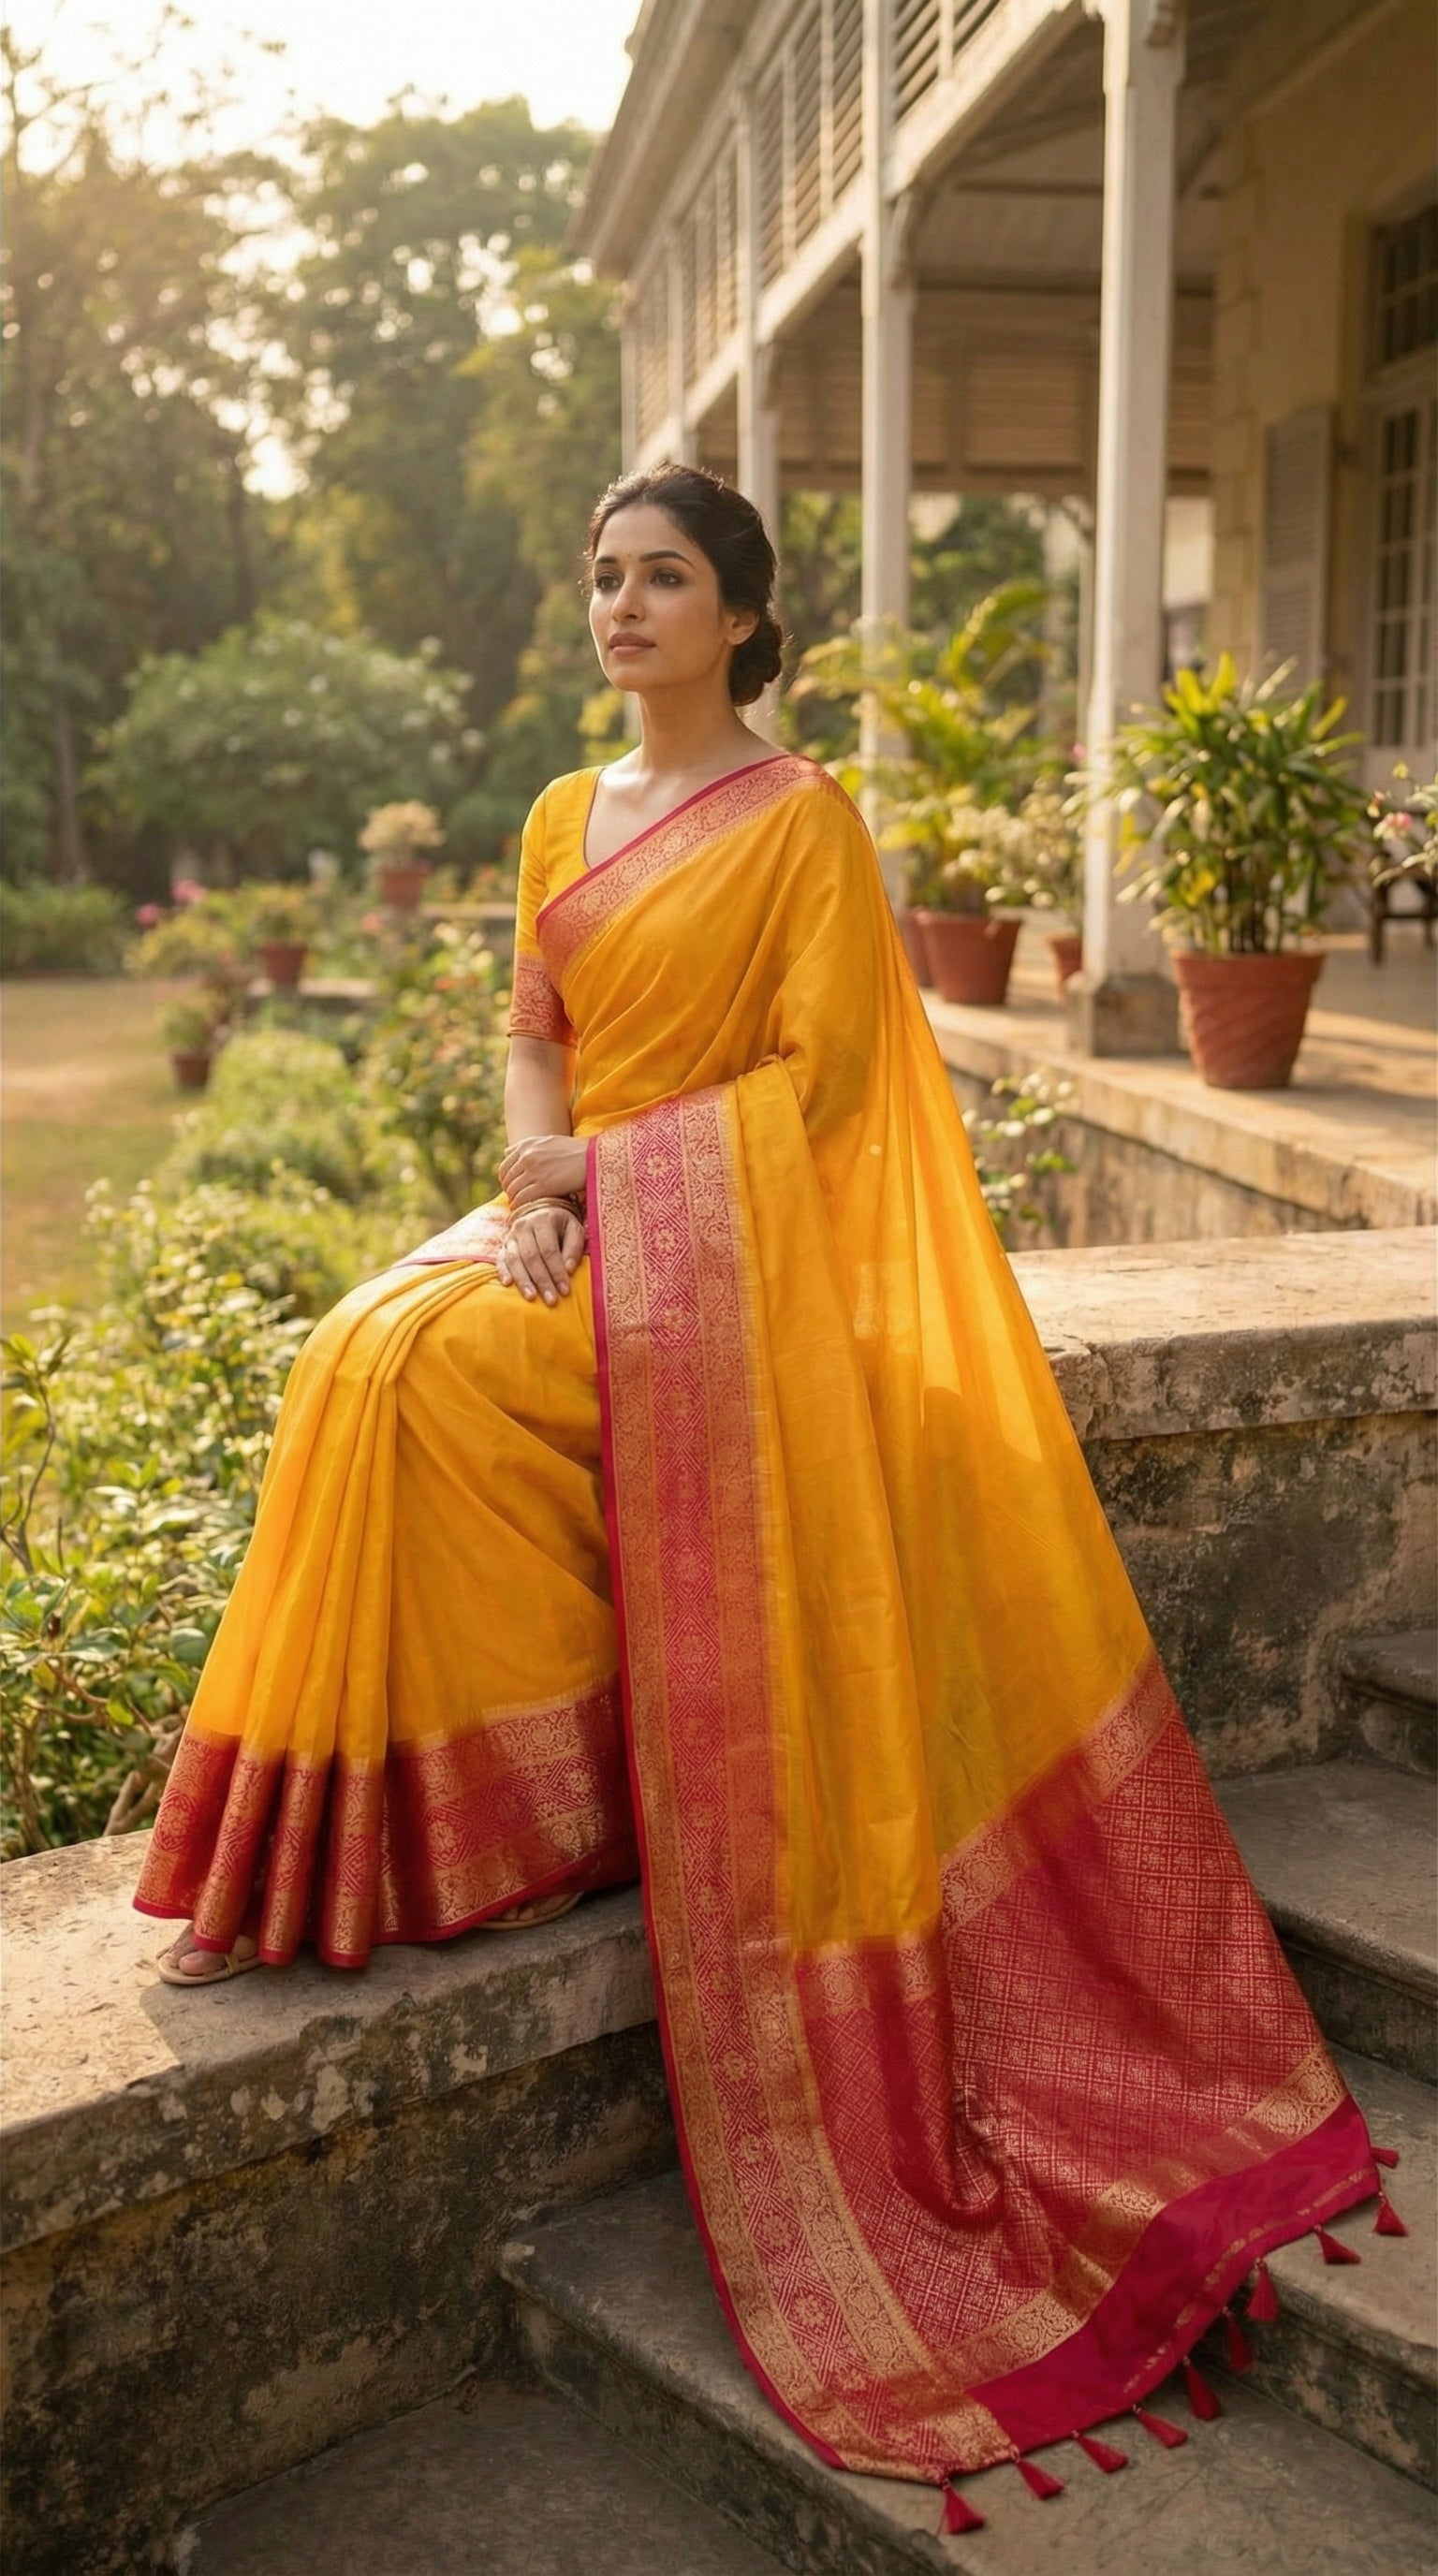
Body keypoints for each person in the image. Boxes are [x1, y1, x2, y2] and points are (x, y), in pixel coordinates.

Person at [134, 464, 1382, 2506]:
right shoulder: (561, 810)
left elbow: (828, 1092)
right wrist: (536, 1191)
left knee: (412, 1374)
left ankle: (468, 1834)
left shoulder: (799, 822)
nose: (623, 604)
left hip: (725, 1262)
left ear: (739, 615)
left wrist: (607, 1185)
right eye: (605, 573)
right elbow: (533, 1031)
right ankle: (348, 1846)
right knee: (361, 1348)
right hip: (578, 1221)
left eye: (665, 578)